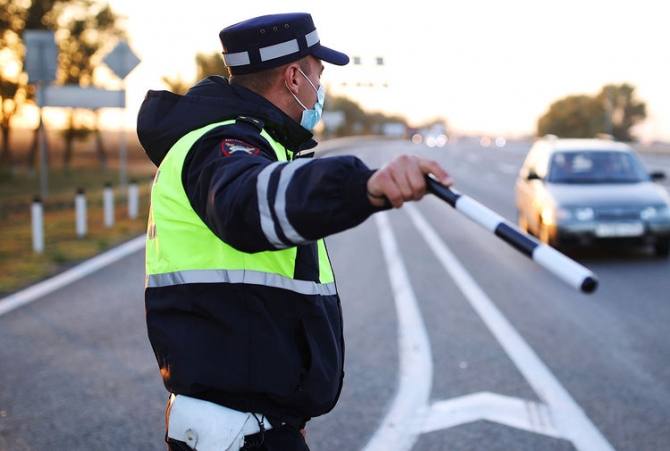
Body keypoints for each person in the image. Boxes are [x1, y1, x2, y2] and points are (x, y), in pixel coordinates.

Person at [136, 12, 452, 451]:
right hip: (237, 435)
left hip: (252, 426)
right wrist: (361, 185)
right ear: (293, 77)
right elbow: (248, 202)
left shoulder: (256, 146)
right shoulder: (219, 147)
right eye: (318, 75)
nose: (320, 89)